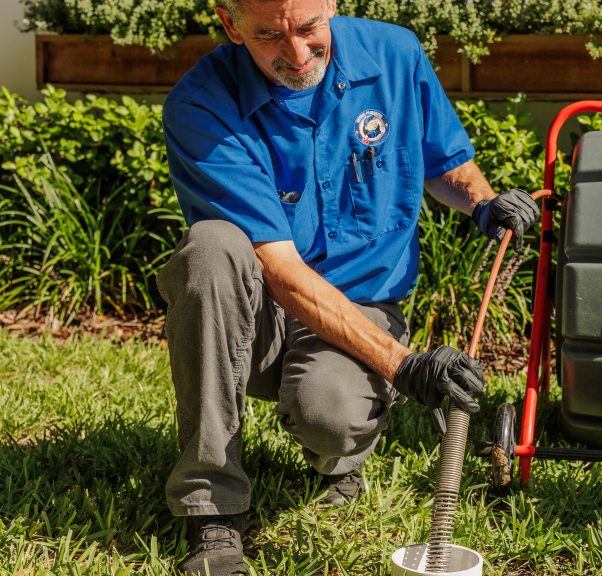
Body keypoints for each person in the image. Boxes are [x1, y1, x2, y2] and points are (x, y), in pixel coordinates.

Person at [157, 0, 539, 574]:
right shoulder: (200, 104)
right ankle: (213, 511)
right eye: (268, 36)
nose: (297, 54)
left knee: (331, 417)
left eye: (310, 27)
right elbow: (281, 272)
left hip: (362, 306)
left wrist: (484, 202)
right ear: (229, 24)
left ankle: (339, 457)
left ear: (331, 3)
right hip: (253, 315)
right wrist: (405, 366)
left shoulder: (396, 55)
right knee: (211, 248)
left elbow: (442, 162)